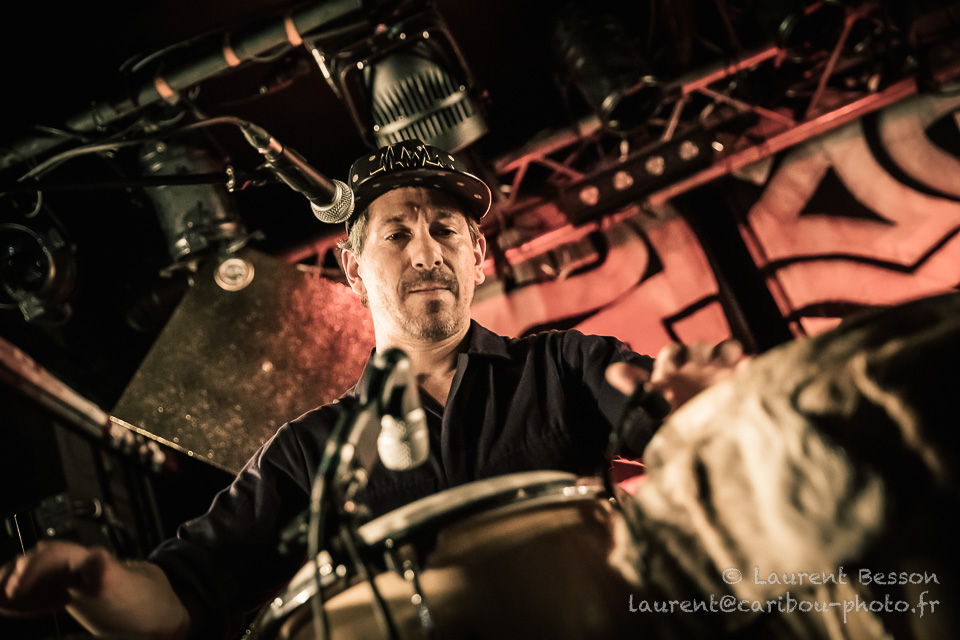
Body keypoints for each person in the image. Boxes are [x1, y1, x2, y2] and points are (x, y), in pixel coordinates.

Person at [0, 138, 745, 639]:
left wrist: (706, 412)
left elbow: (692, 437)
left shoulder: (566, 366)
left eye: (446, 232)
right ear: (352, 270)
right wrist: (91, 583)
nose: (426, 253)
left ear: (478, 253)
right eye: (396, 234)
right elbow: (174, 599)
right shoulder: (306, 455)